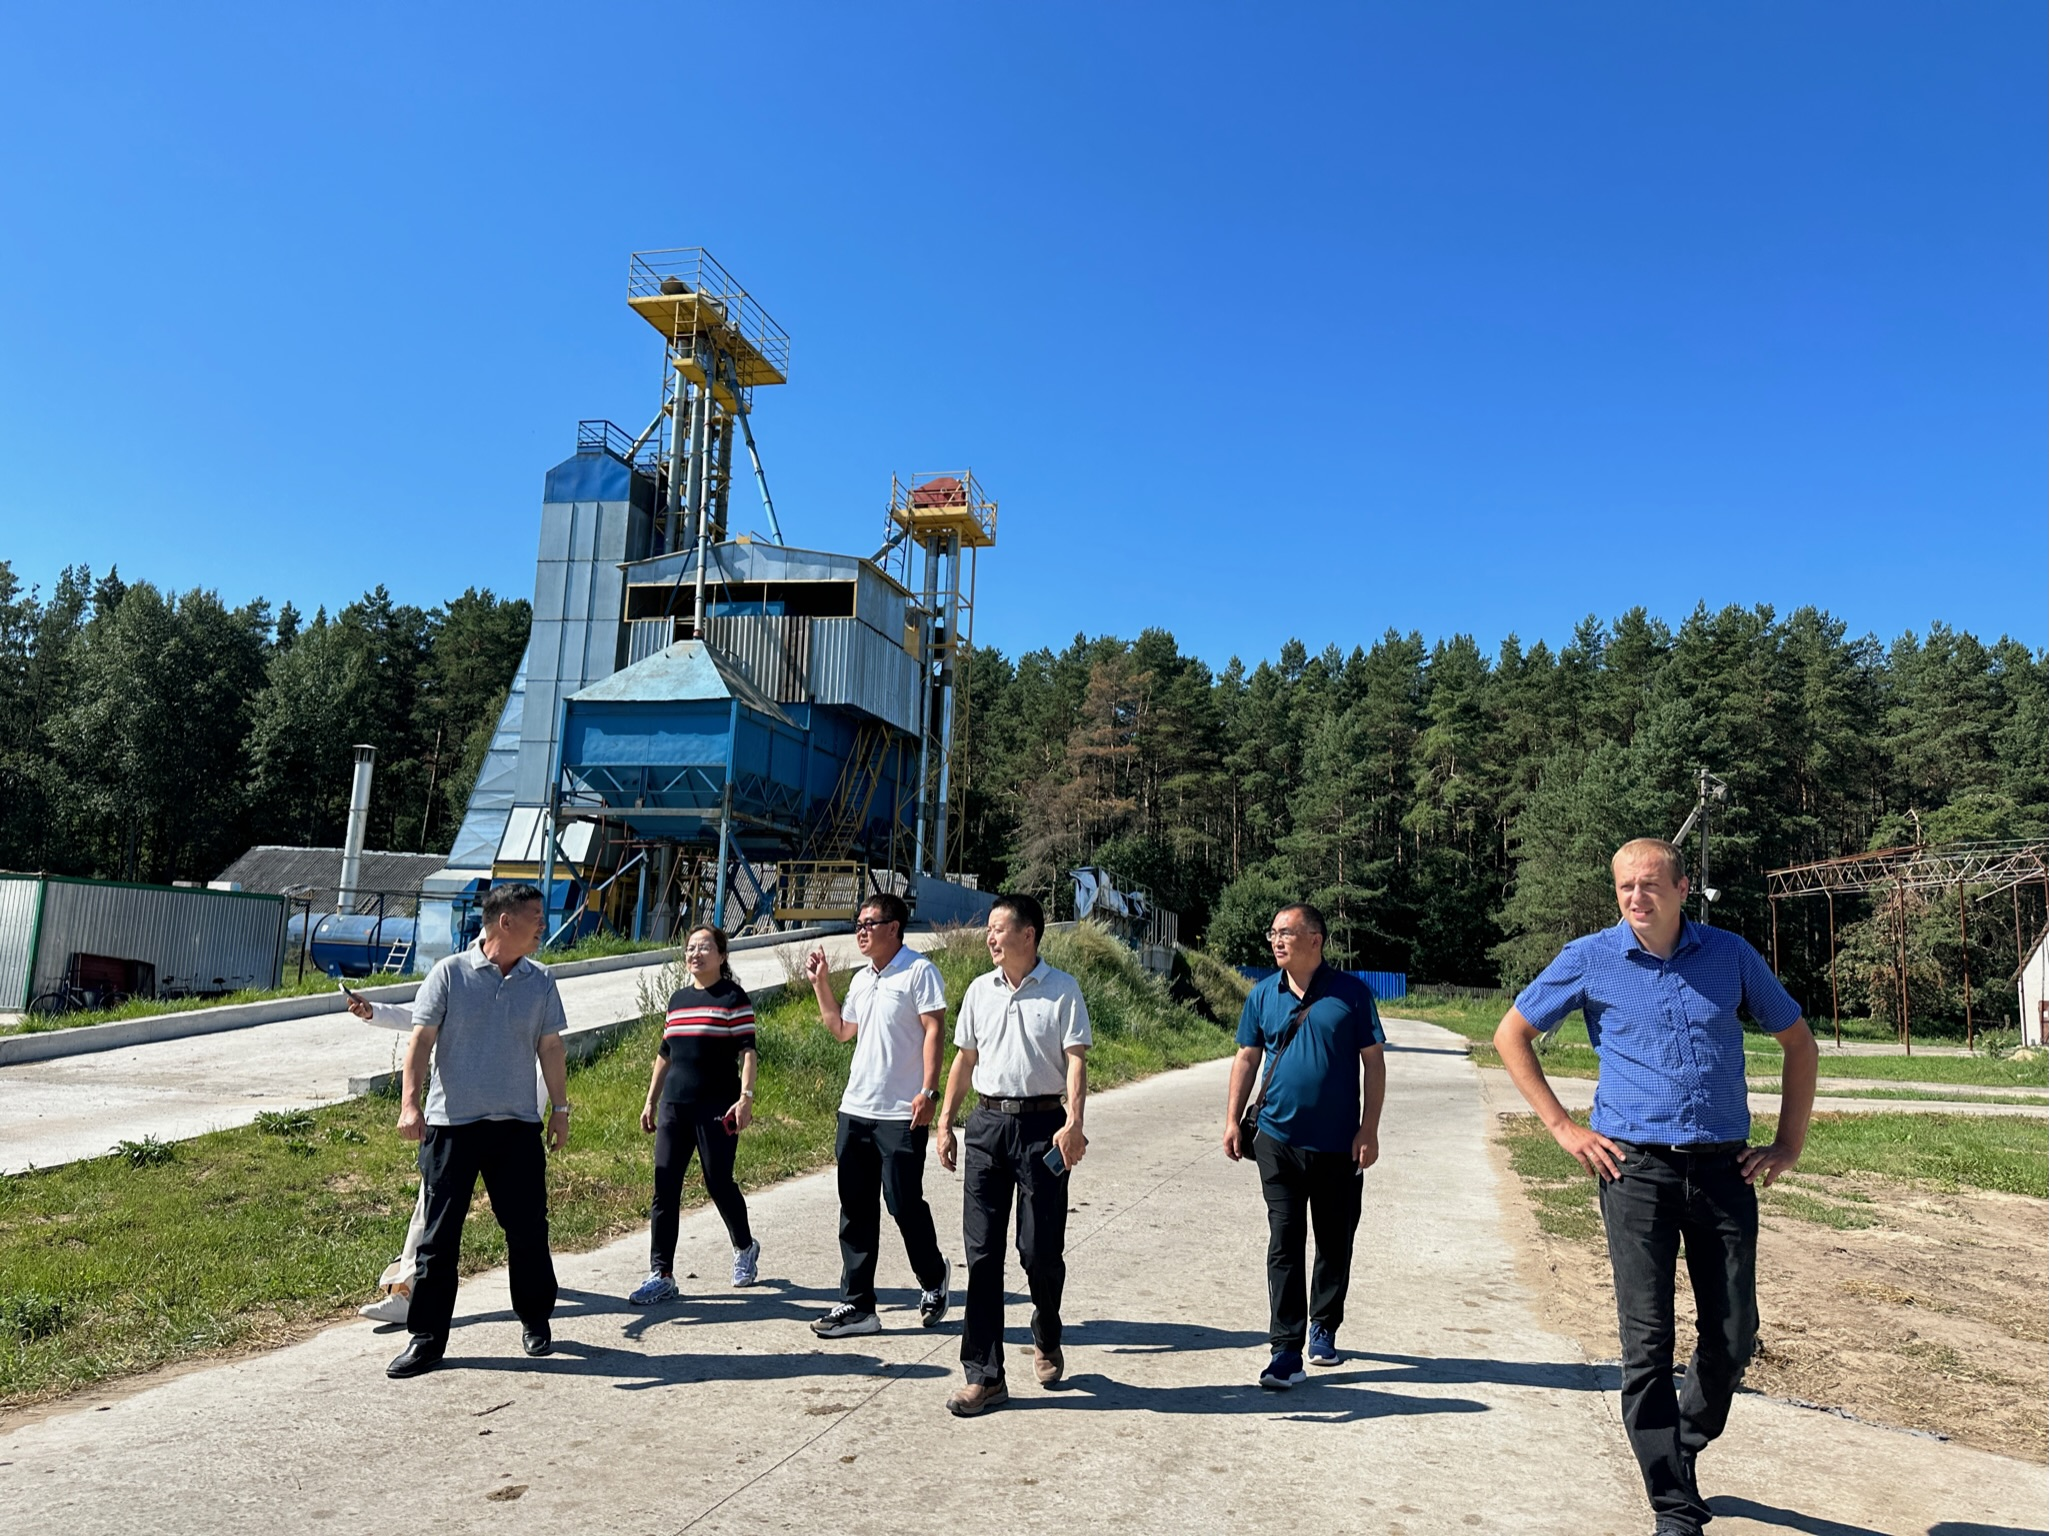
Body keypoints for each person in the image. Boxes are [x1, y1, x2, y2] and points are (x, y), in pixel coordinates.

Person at [1492, 837, 1818, 1536]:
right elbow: (1510, 1035)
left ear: (1681, 887)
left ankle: (1682, 1443)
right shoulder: (1589, 958)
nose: (1636, 897)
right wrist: (1563, 1129)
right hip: (1633, 1169)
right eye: (1624, 887)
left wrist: (1788, 1143)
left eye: (1648, 884)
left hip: (1724, 1170)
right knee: (1646, 1341)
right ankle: (1672, 1504)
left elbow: (1798, 1041)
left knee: (1733, 1334)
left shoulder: (1730, 955)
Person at [386, 883, 571, 1379]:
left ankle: (535, 1320)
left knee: (528, 1230)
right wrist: (409, 1106)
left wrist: (560, 1108)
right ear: (505, 921)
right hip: (452, 1127)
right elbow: (420, 1042)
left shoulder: (541, 980)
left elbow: (550, 1048)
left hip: (516, 1126)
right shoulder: (449, 973)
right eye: (535, 916)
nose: (542, 925)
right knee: (439, 1237)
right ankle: (427, 1339)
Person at [935, 893, 1091, 1417]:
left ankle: (1046, 1329)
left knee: (1038, 1251)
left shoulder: (1063, 989)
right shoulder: (980, 990)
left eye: (999, 928)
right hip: (986, 1126)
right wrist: (946, 1122)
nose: (990, 937)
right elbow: (965, 1060)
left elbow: (1075, 1062)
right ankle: (984, 1375)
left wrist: (1074, 1123)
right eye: (989, 929)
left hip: (1043, 1129)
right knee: (981, 1254)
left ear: (1029, 934)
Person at [1221, 902, 1386, 1390]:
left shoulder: (1352, 994)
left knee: (1335, 1240)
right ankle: (1285, 1350)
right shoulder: (1262, 995)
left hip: (1338, 1144)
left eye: (1286, 933)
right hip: (1277, 1139)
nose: (1276, 941)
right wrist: (1232, 1120)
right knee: (1285, 1241)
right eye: (1273, 933)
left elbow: (1374, 1063)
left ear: (1315, 939)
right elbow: (1247, 1057)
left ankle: (1324, 1325)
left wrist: (1369, 1129)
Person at [805, 892, 952, 1338]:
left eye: (869, 923)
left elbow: (934, 1029)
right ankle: (858, 1306)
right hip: (855, 1109)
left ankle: (933, 1277)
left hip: (901, 1112)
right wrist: (820, 984)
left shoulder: (919, 971)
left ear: (893, 928)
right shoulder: (861, 979)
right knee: (855, 1209)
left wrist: (928, 1090)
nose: (861, 931)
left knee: (902, 1202)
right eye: (858, 923)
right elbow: (841, 1030)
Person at [627, 924, 762, 1305]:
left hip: (716, 1106)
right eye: (690, 948)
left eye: (704, 948)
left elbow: (748, 1052)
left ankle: (744, 1246)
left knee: (718, 1181)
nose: (695, 954)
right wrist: (650, 1101)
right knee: (664, 1186)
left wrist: (745, 1098)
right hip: (674, 1106)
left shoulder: (733, 998)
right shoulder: (678, 999)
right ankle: (661, 1274)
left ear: (721, 955)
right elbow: (665, 1053)